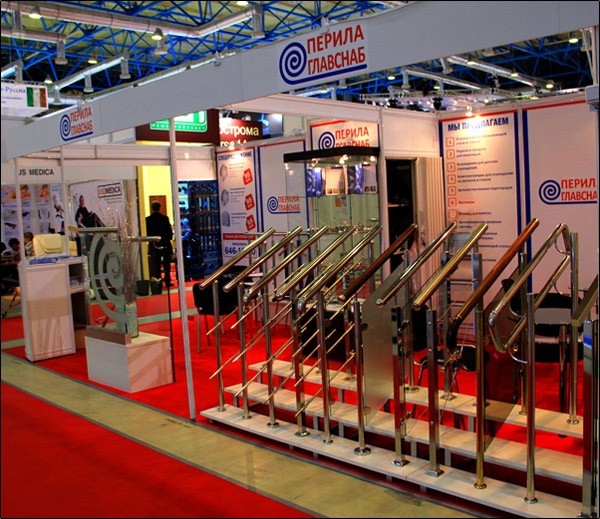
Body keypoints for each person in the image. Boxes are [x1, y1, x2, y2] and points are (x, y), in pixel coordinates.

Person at [146, 201, 173, 287]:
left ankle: (158, 281)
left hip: (154, 244)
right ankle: (167, 280)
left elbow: (147, 233)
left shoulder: (148, 219)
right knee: (166, 264)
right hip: (165, 244)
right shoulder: (165, 218)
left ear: (152, 208)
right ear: (160, 207)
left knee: (156, 264)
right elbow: (169, 232)